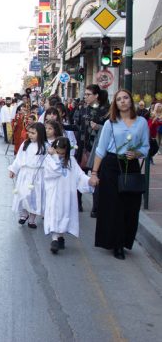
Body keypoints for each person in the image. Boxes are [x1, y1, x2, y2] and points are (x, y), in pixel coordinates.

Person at [89, 89, 149, 260]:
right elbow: (101, 150)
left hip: (131, 166)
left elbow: (145, 146)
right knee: (113, 207)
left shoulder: (142, 122)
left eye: (125, 98)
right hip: (111, 165)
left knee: (130, 207)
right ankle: (116, 244)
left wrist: (137, 153)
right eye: (119, 99)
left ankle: (124, 241)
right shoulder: (110, 123)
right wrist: (94, 173)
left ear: (131, 100)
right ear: (115, 103)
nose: (123, 101)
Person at [44, 137, 95, 254]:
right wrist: (54, 156)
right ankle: (55, 240)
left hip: (66, 194)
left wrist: (89, 181)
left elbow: (80, 175)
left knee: (64, 214)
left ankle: (60, 236)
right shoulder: (49, 159)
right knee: (54, 214)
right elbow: (54, 171)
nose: (60, 155)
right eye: (58, 152)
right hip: (54, 193)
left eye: (62, 153)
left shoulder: (71, 161)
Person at [8, 122, 48, 229]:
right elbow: (19, 158)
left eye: (33, 133)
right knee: (24, 194)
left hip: (37, 175)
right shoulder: (25, 144)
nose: (30, 135)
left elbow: (49, 162)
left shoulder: (45, 147)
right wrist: (13, 170)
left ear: (40, 134)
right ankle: (24, 214)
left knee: (34, 196)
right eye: (29, 132)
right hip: (25, 173)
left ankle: (32, 218)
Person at [79, 84, 109, 218]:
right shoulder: (82, 109)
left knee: (97, 178)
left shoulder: (106, 111)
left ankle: (96, 208)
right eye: (85, 95)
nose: (85, 97)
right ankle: (78, 203)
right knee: (79, 176)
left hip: (98, 149)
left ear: (96, 95)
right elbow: (78, 126)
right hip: (83, 147)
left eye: (88, 94)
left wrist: (99, 127)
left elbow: (110, 129)